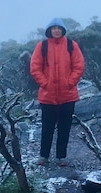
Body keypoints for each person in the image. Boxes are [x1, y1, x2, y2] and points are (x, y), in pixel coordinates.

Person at [29, 18, 86, 164]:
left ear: (62, 30)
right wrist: (45, 83)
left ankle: (62, 157)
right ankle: (44, 156)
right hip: (47, 95)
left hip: (68, 95)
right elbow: (35, 68)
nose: (56, 30)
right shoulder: (42, 46)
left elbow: (79, 66)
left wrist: (70, 82)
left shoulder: (71, 45)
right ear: (49, 30)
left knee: (64, 127)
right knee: (47, 127)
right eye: (53, 28)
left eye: (58, 28)